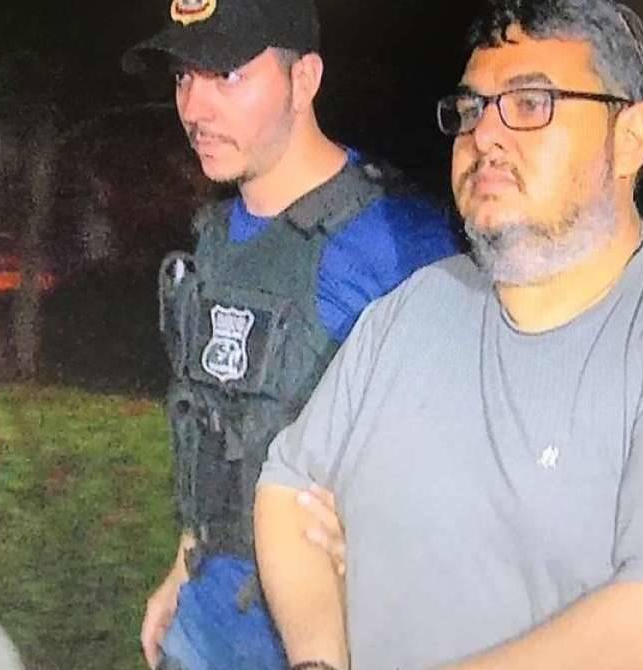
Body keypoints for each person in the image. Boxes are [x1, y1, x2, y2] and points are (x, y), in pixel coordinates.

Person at [254, 1, 643, 669]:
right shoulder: (413, 311)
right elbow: (288, 489)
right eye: (471, 109)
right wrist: (318, 659)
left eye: (531, 103)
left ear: (630, 138)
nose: (485, 135)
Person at [120, 0, 460, 667]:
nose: (194, 108)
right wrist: (183, 570)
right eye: (184, 77)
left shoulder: (401, 244)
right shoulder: (215, 238)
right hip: (205, 630)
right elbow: (215, 427)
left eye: (228, 76)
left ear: (304, 80)